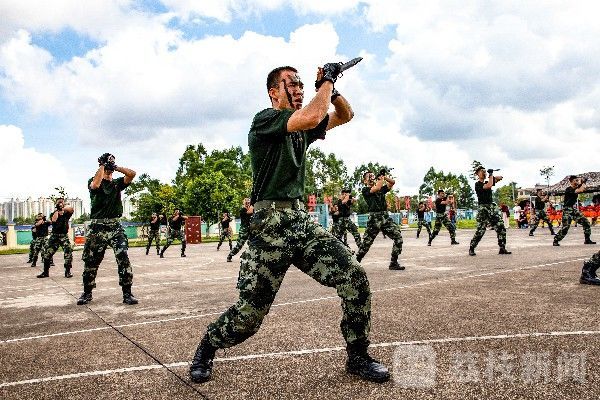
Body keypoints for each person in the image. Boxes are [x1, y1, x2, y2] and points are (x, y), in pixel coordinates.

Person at [189, 63, 389, 384]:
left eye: (301, 85)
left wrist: (332, 89)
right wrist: (325, 81)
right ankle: (208, 345)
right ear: (273, 92)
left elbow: (345, 115)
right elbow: (310, 116)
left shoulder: (302, 129)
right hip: (269, 223)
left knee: (355, 278)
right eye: (291, 84)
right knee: (250, 315)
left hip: (298, 220)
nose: (298, 89)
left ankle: (358, 356)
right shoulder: (265, 120)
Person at [76, 153, 138, 305]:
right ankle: (87, 292)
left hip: (115, 226)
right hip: (97, 227)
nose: (110, 168)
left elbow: (132, 174)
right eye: (107, 164)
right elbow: (95, 185)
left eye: (111, 164)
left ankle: (127, 293)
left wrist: (115, 167)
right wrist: (103, 166)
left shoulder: (117, 183)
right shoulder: (94, 180)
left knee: (123, 257)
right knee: (91, 261)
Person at [355, 169, 404, 270]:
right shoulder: (365, 190)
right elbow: (377, 187)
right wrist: (380, 178)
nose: (372, 177)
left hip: (385, 217)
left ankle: (393, 263)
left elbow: (392, 183)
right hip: (374, 218)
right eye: (369, 176)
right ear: (365, 181)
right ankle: (354, 264)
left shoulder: (381, 187)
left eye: (373, 175)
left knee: (398, 238)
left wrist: (384, 177)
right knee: (366, 244)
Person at [469, 167, 511, 256]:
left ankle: (502, 248)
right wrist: (491, 175)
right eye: (481, 172)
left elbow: (500, 178)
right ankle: (472, 248)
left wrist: (493, 176)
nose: (483, 173)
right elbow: (488, 186)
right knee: (481, 230)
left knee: (500, 226)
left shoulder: (488, 181)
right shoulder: (478, 184)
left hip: (491, 207)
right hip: (483, 208)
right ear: (477, 174)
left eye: (484, 172)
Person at [37, 198, 74, 278]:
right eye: (59, 202)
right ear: (56, 205)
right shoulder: (54, 213)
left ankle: (67, 272)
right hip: (54, 236)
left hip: (64, 236)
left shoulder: (66, 213)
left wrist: (62, 208)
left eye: (62, 202)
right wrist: (57, 211)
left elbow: (71, 209)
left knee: (68, 254)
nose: (61, 203)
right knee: (47, 254)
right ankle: (45, 272)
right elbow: (53, 220)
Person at [553, 176, 595, 246]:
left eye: (577, 180)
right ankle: (556, 240)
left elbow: (583, 188)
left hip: (572, 209)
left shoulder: (575, 188)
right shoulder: (569, 189)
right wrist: (583, 182)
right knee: (565, 227)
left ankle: (587, 239)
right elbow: (581, 190)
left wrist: (582, 182)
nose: (577, 182)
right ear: (571, 181)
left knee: (586, 222)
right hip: (567, 210)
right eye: (576, 180)